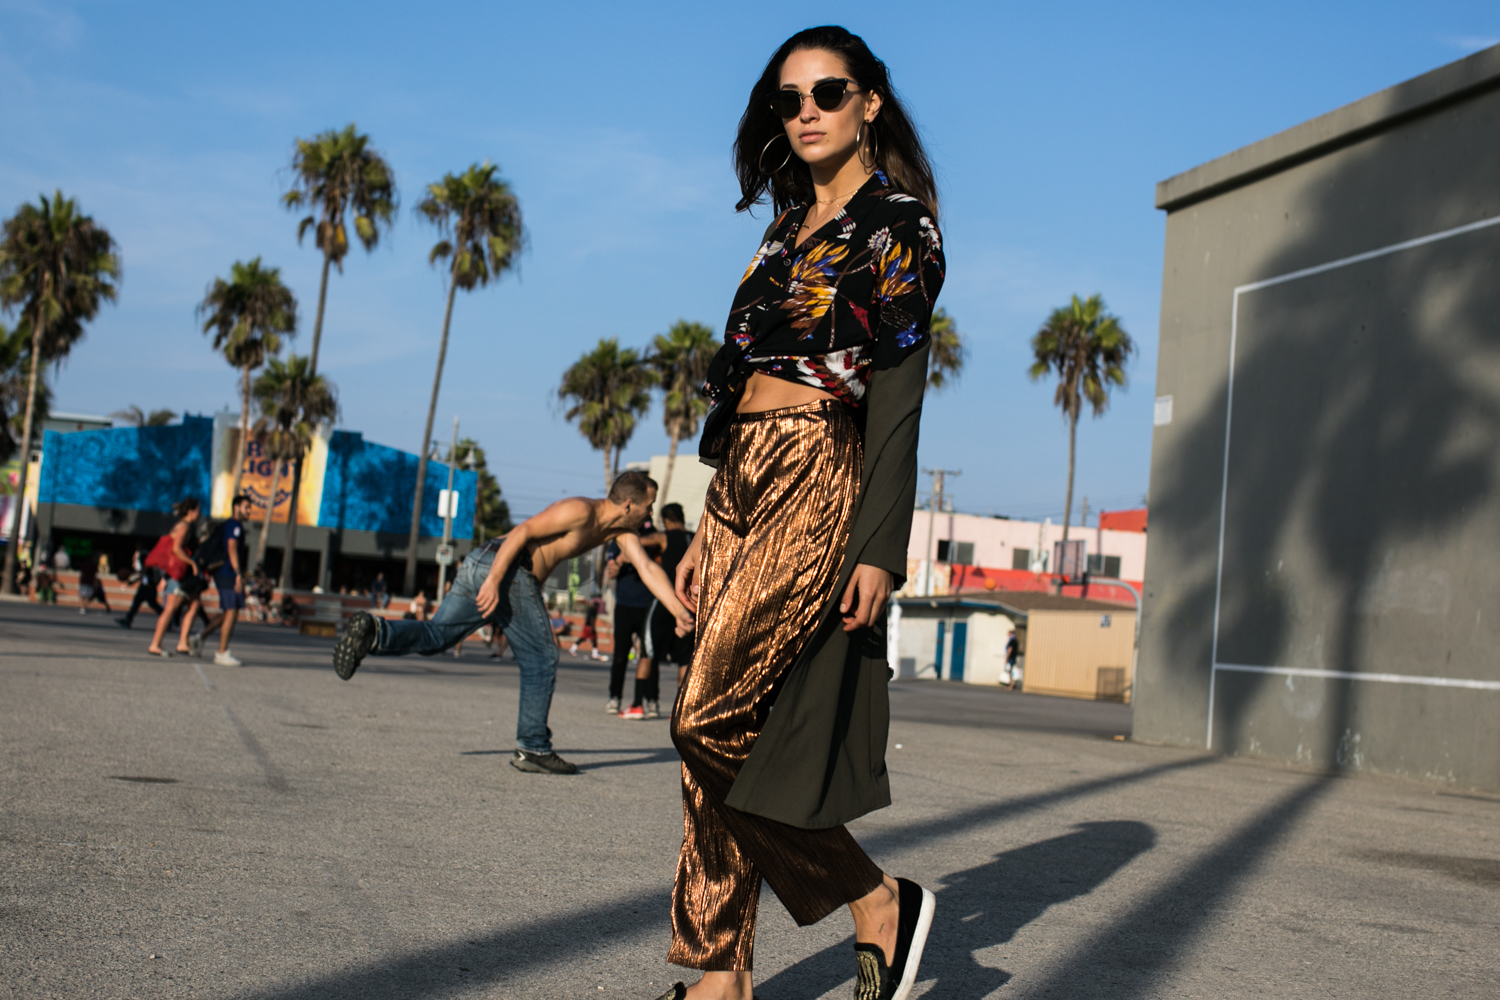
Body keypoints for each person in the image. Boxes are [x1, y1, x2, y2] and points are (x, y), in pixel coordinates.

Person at [654, 28, 945, 1000]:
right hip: (740, 477)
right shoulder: (782, 228)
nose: (808, 108)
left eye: (829, 90)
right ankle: (716, 978)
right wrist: (705, 523)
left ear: (870, 102)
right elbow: (739, 384)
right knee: (714, 728)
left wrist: (880, 545)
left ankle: (871, 895)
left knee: (707, 715)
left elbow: (899, 392)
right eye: (790, 97)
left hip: (819, 467)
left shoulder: (897, 225)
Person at [332, 471, 694, 776]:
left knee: (435, 636)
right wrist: (493, 581)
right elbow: (522, 532)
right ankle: (533, 747)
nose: (649, 516)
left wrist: (679, 610)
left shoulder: (618, 532)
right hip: (506, 569)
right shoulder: (580, 510)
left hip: (485, 563)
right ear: (629, 505)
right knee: (541, 658)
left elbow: (647, 569)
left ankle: (374, 632)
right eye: (648, 507)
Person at [634, 502, 696, 718]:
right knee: (684, 659)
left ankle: (637, 704)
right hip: (689, 604)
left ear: (666, 520)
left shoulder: (663, 537)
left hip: (665, 600)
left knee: (647, 652)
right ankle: (680, 712)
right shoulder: (694, 537)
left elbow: (639, 543)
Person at [605, 519, 659, 718]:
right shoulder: (617, 540)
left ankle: (652, 700)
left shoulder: (654, 537)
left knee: (648, 655)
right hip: (625, 605)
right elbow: (611, 570)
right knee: (620, 655)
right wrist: (619, 561)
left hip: (647, 605)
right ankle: (614, 697)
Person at [195, 494, 252, 666]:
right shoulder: (234, 525)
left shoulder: (232, 524)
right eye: (246, 507)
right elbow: (231, 548)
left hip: (225, 573)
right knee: (232, 610)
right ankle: (221, 653)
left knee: (229, 612)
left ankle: (199, 637)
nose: (249, 511)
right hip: (227, 573)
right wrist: (238, 574)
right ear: (236, 507)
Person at [146, 498, 204, 657]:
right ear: (191, 512)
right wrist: (191, 563)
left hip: (178, 574)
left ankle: (182, 643)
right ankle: (156, 644)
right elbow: (177, 549)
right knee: (171, 608)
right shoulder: (185, 527)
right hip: (178, 574)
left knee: (194, 604)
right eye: (198, 510)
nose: (200, 514)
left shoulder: (180, 525)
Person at [117, 546, 164, 628]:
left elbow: (143, 572)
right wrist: (131, 581)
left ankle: (128, 620)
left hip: (147, 586)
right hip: (148, 585)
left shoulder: (144, 557)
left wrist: (131, 576)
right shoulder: (149, 557)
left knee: (138, 603)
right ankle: (168, 619)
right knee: (152, 604)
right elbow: (142, 574)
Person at [568, 595, 605, 660]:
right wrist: (592, 627)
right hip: (589, 627)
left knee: (585, 638)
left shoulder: (590, 609)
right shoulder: (594, 611)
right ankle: (594, 653)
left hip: (586, 626)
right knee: (591, 639)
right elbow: (592, 619)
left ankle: (573, 648)